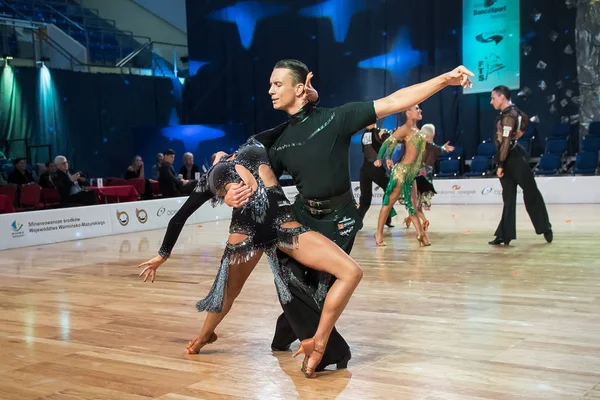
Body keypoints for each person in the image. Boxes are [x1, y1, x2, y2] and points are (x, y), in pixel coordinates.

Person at [223, 60, 474, 367]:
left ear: (299, 88)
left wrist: (445, 80)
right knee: (291, 279)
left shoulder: (336, 119)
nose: (270, 90)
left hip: (339, 221)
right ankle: (292, 334)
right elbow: (252, 176)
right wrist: (230, 191)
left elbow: (394, 100)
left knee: (321, 287)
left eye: (277, 84)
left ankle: (326, 348)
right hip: (302, 218)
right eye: (270, 84)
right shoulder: (280, 142)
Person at [137, 138, 363, 379]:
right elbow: (179, 217)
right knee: (227, 293)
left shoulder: (253, 143)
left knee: (352, 272)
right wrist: (163, 255)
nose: (217, 153)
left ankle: (318, 343)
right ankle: (204, 336)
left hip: (285, 228)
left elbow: (292, 130)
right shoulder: (208, 177)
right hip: (246, 234)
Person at [488, 85, 553, 246]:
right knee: (508, 196)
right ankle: (504, 234)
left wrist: (501, 164)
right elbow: (524, 118)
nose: (491, 102)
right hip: (511, 154)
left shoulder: (509, 115)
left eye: (493, 98)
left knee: (530, 192)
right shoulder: (514, 111)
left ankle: (544, 227)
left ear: (502, 97)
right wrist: (520, 131)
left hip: (513, 157)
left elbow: (506, 142)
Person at [373, 106, 430, 247]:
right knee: (389, 202)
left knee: (413, 205)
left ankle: (421, 234)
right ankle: (378, 234)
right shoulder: (404, 129)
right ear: (408, 112)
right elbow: (388, 143)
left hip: (412, 173)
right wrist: (380, 157)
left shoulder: (418, 131)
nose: (420, 110)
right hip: (401, 172)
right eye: (416, 108)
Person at [357, 123, 396, 227]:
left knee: (365, 199)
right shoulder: (378, 132)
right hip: (375, 168)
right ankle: (387, 218)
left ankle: (357, 223)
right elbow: (389, 141)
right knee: (389, 188)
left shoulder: (365, 133)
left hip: (365, 168)